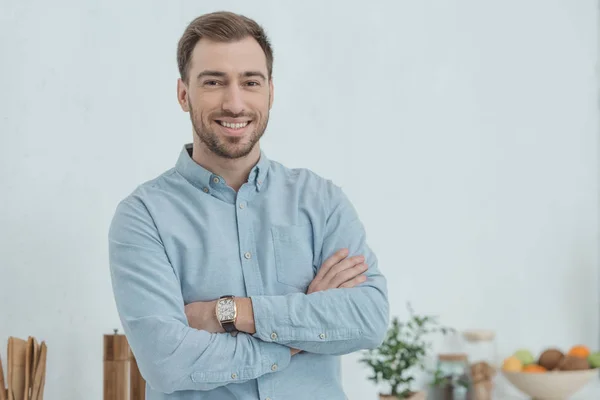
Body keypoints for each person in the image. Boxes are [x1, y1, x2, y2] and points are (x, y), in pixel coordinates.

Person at [108, 10, 389, 400]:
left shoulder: (321, 201)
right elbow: (166, 363)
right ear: (183, 94)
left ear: (270, 91)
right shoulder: (143, 217)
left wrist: (230, 312)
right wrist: (300, 332)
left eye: (250, 82)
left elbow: (368, 319)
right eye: (214, 82)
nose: (235, 103)